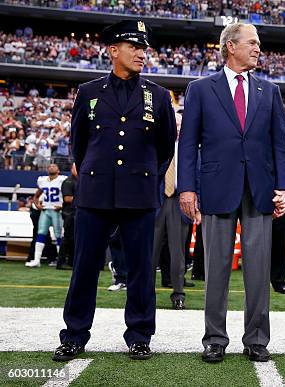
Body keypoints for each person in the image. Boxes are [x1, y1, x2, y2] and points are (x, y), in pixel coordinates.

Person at [53, 20, 176, 362]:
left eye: (143, 48)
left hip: (139, 194)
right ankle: (74, 334)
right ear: (113, 50)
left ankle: (139, 335)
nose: (141, 53)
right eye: (134, 47)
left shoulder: (159, 95)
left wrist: (149, 179)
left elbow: (166, 147)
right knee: (85, 267)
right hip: (95, 194)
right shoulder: (89, 92)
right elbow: (78, 143)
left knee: (140, 270)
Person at [178, 23, 285, 364]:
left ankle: (257, 339)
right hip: (216, 187)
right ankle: (214, 338)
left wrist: (283, 187)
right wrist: (186, 188)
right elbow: (188, 144)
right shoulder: (200, 89)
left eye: (259, 44)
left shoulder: (269, 91)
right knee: (216, 269)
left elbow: (278, 146)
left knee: (258, 269)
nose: (258, 48)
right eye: (252, 43)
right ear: (230, 46)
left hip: (259, 189)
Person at [153, 111, 191, 310]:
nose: (176, 128)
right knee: (149, 253)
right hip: (155, 203)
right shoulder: (156, 146)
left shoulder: (190, 149)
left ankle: (178, 294)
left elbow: (198, 177)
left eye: (179, 125)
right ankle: (145, 294)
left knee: (178, 254)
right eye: (173, 123)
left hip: (180, 202)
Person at [26, 163, 67, 268]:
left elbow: (69, 193)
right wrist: (36, 204)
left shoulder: (63, 180)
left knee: (58, 235)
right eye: (49, 166)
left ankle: (60, 260)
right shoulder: (42, 180)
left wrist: (62, 205)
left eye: (54, 166)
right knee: (41, 233)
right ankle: (36, 260)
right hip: (45, 210)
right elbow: (36, 195)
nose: (51, 167)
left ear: (58, 170)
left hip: (57, 210)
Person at [57, 163, 77, 270]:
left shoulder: (80, 181)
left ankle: (71, 261)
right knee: (67, 238)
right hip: (69, 213)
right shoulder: (68, 182)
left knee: (74, 239)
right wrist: (84, 198)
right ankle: (61, 262)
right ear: (71, 169)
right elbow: (68, 199)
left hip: (76, 213)